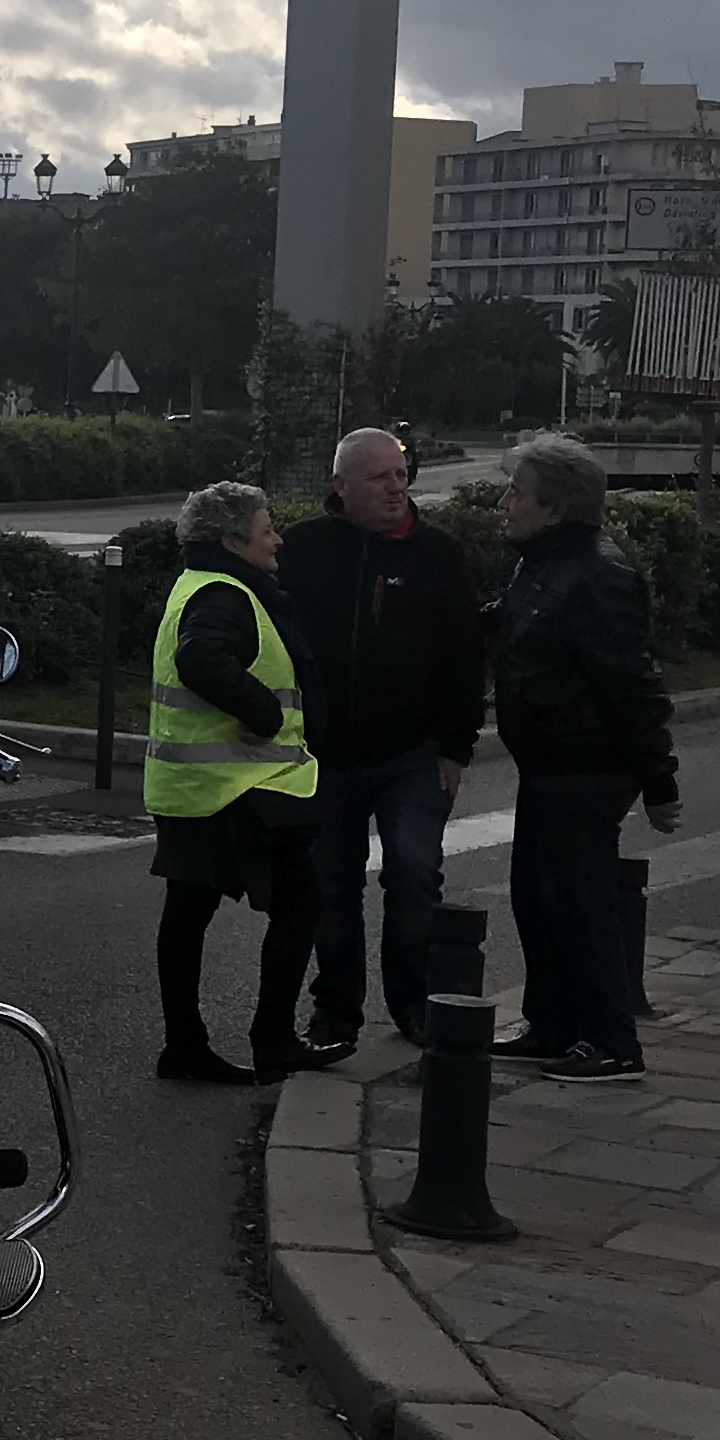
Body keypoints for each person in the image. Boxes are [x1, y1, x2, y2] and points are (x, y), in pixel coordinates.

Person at [277, 425, 485, 1053]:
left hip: (412, 754)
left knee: (415, 873)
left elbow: (465, 657)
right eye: (379, 478)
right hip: (324, 758)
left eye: (401, 474)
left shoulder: (438, 554)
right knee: (331, 890)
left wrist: (456, 746)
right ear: (341, 487)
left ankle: (416, 1002)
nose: (397, 488)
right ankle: (336, 1014)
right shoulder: (303, 550)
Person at [488, 434, 681, 1082]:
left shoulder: (598, 574)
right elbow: (516, 626)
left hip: (586, 767)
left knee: (580, 905)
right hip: (547, 767)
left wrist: (659, 779)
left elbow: (631, 681)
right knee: (537, 902)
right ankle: (553, 1026)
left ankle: (612, 1040)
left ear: (555, 507)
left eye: (519, 493)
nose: (507, 503)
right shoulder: (540, 561)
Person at [144, 478, 322, 1086]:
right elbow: (201, 659)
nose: (276, 540)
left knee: (189, 913)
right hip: (236, 789)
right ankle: (272, 1039)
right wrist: (266, 715)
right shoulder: (227, 593)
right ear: (231, 539)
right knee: (302, 903)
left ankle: (186, 1046)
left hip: (195, 788)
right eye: (266, 529)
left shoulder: (200, 582)